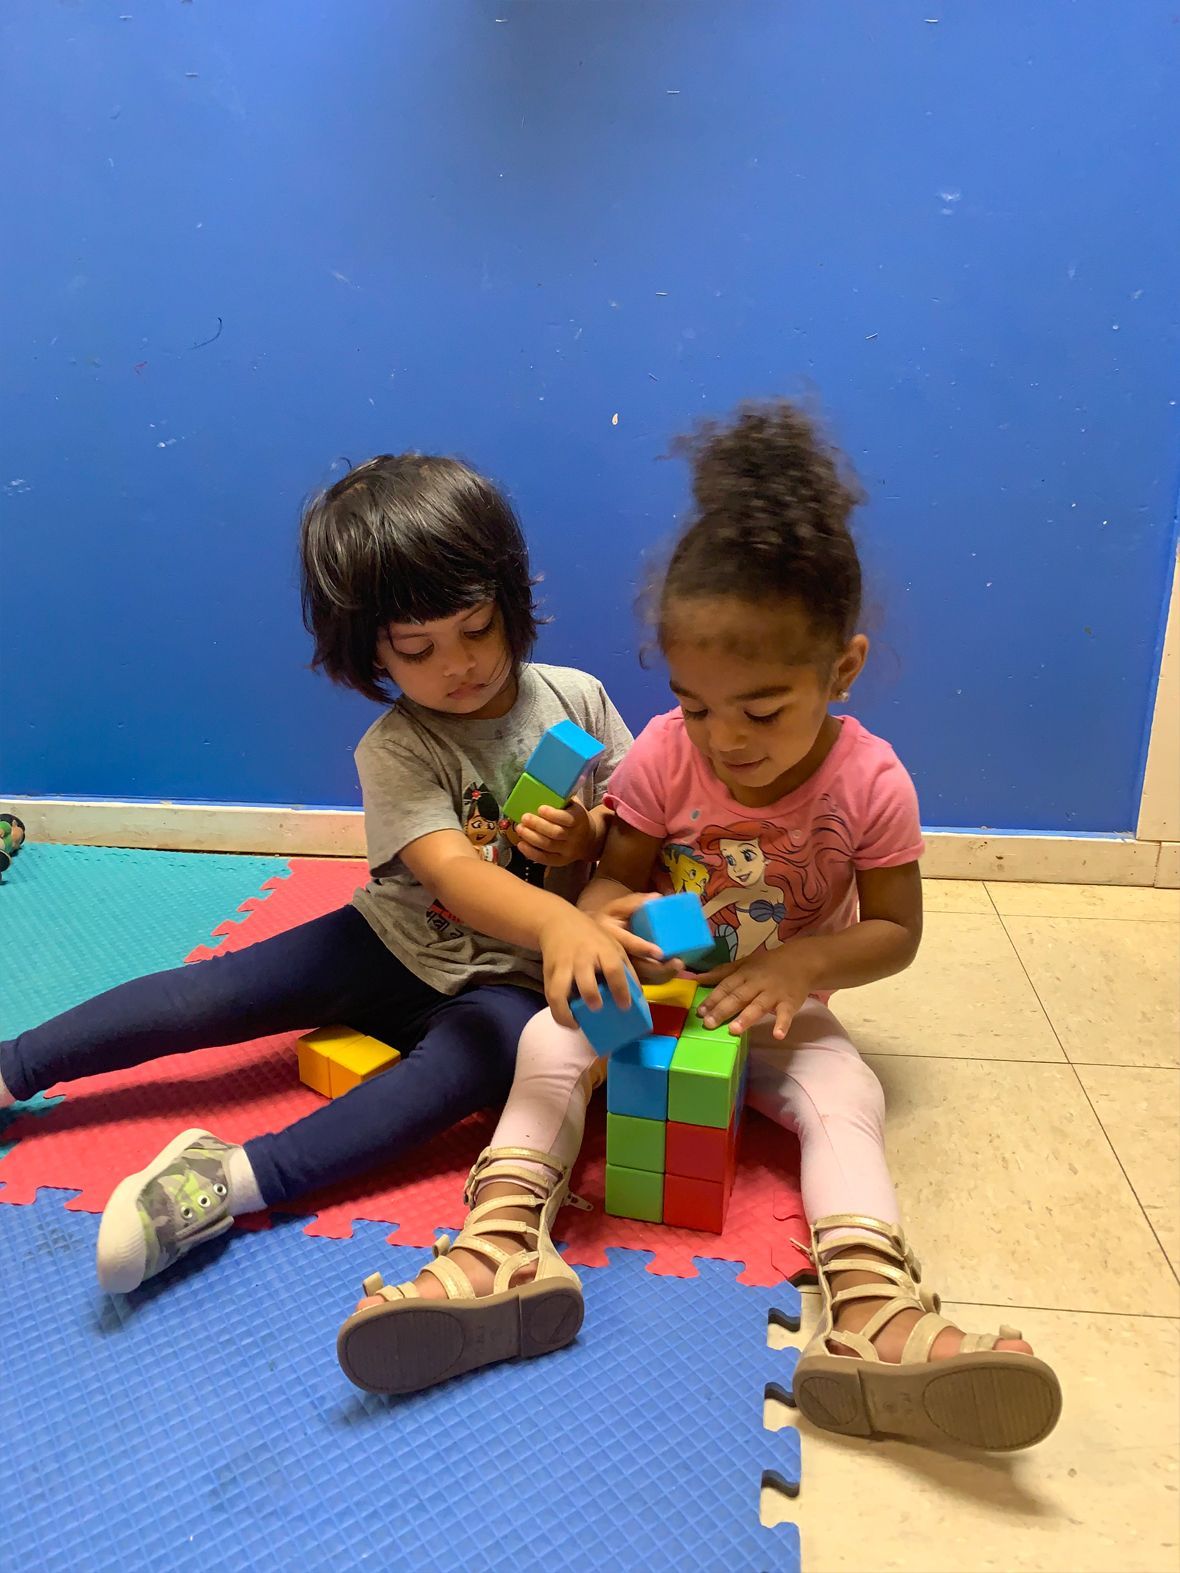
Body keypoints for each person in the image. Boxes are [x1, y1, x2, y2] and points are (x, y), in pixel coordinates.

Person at [337, 404, 1063, 1456]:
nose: (724, 742)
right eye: (694, 703)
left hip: (773, 999)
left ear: (842, 670)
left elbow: (895, 933)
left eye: (762, 711)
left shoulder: (872, 781)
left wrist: (805, 959)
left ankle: (868, 1312)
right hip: (662, 983)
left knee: (844, 1093)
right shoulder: (661, 757)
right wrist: (601, 924)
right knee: (547, 1044)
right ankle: (500, 1249)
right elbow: (605, 889)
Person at [0, 452, 647, 1295]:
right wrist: (558, 916)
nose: (459, 664)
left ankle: (220, 1184)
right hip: (392, 939)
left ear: (510, 598)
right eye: (418, 649)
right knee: (218, 993)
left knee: (449, 1084)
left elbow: (639, 823)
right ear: (370, 650)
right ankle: (16, 1064)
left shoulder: (579, 700)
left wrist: (588, 836)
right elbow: (450, 873)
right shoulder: (400, 746)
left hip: (512, 984)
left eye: (477, 627)